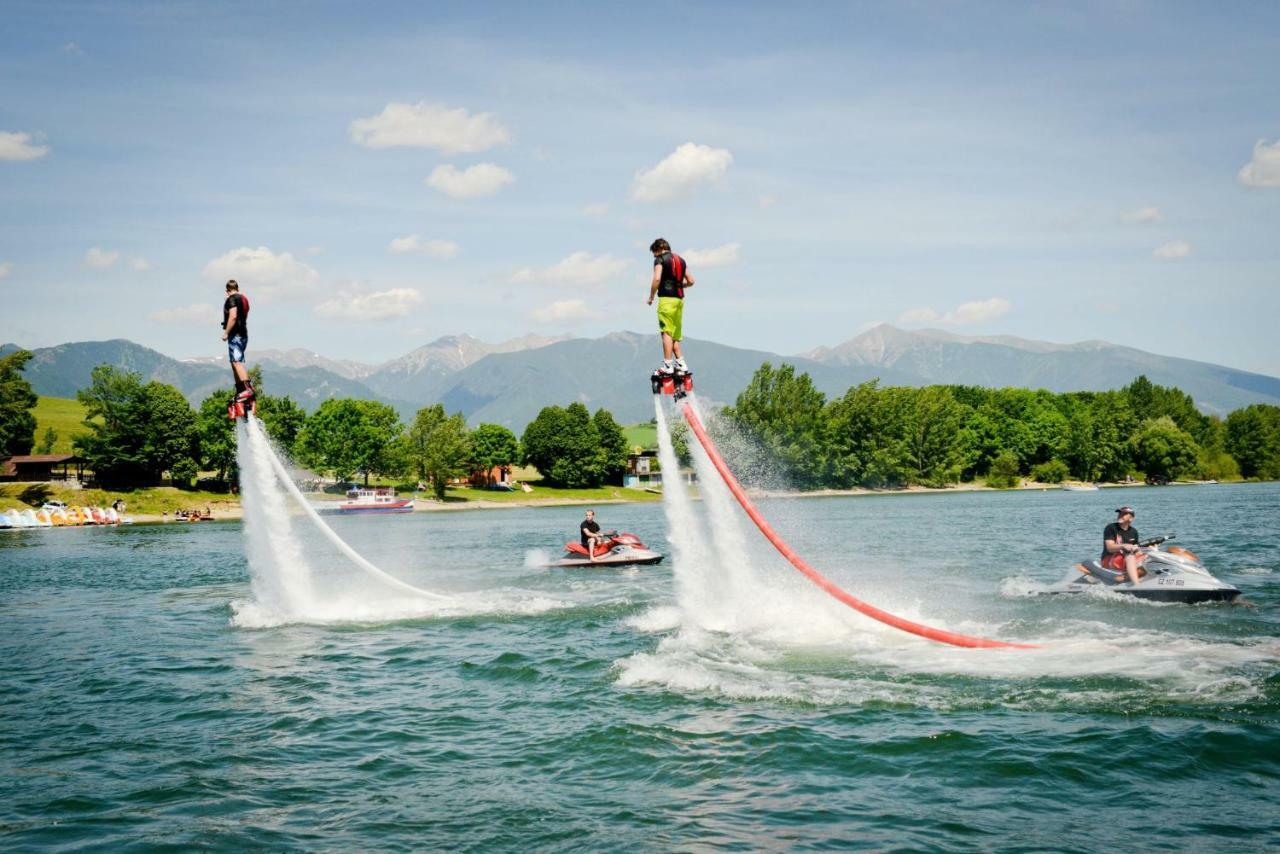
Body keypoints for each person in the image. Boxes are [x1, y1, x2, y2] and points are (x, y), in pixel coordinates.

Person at [646, 238, 694, 374]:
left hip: (666, 299)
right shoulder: (681, 260)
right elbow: (691, 281)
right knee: (674, 334)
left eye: (655, 253)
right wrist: (681, 284)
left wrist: (651, 296)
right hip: (679, 299)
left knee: (666, 332)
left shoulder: (660, 260)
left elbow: (657, 279)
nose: (655, 256)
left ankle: (668, 365)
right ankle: (681, 363)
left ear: (659, 249)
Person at [220, 279, 254, 404]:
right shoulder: (244, 299)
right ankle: (240, 390)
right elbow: (246, 313)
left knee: (237, 362)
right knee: (234, 363)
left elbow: (233, 316)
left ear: (227, 291)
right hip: (243, 333)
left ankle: (248, 390)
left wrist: (226, 332)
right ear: (238, 288)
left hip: (236, 335)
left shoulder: (231, 299)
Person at [1101, 506, 1145, 585]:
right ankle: (1137, 585)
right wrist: (1123, 545)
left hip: (1123, 559)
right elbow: (1110, 548)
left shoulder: (1134, 531)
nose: (1120, 515)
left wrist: (1147, 550)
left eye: (1124, 514)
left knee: (1147, 556)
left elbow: (1136, 550)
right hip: (1109, 559)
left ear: (1131, 518)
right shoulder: (1111, 528)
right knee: (1130, 557)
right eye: (1119, 513)